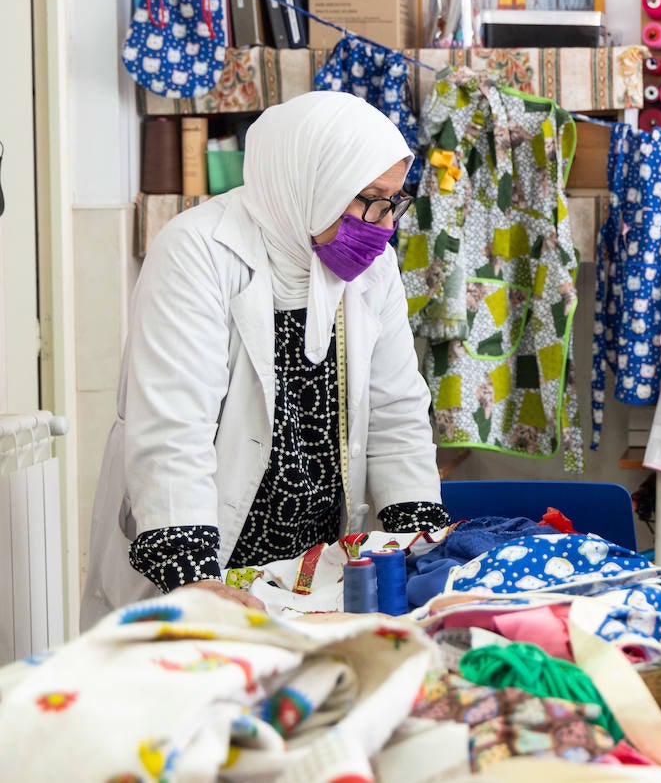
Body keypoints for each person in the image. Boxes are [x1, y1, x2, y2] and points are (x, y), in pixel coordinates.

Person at [82, 92, 448, 627]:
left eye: (394, 202)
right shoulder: (197, 251)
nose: (384, 224)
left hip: (310, 567)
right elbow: (173, 427)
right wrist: (194, 575)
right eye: (369, 199)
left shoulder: (373, 269)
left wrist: (418, 540)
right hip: (207, 556)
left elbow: (397, 410)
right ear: (311, 181)